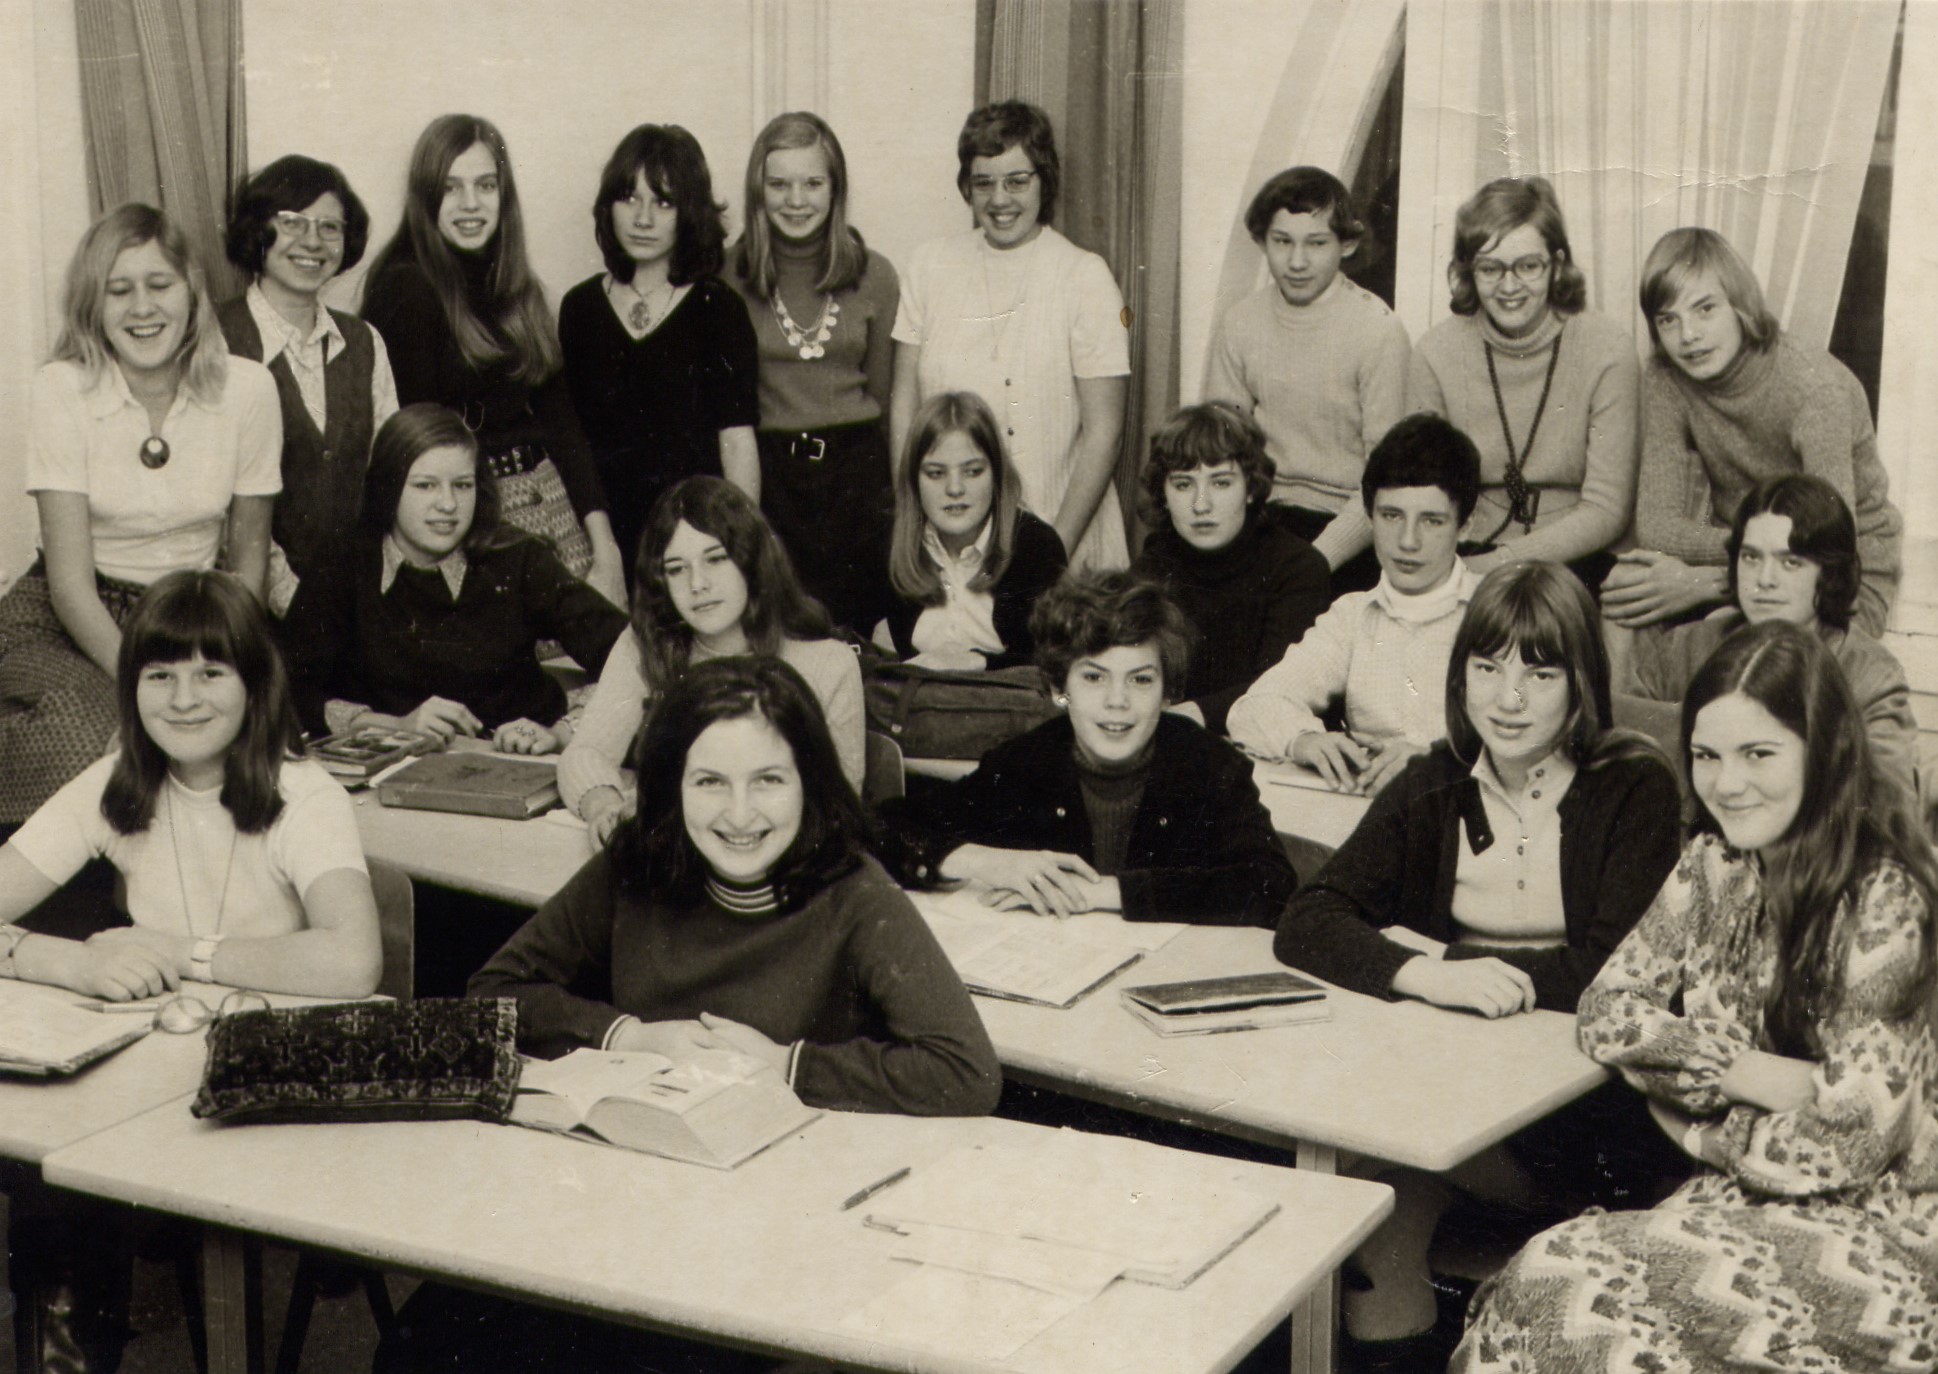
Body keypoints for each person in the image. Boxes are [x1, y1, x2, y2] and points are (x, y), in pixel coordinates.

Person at [1454, 620, 1938, 1374]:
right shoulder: (1713, 865)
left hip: (1889, 1239)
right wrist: (1741, 1071)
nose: (1727, 784)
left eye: (1759, 754)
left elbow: (1852, 1140)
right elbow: (1609, 1009)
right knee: (1563, 1306)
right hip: (1749, 1200)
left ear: (1825, 750)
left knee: (1563, 1279)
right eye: (1707, 757)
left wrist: (1701, 1135)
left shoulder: (1885, 897)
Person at [1274, 561, 1684, 1365]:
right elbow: (1310, 919)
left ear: (1581, 685)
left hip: (1592, 1113)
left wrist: (1456, 958)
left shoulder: (1632, 786)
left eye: (1540, 672)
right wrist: (1427, 975)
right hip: (1454, 1092)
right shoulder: (1434, 781)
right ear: (1459, 679)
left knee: (1374, 1170)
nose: (1508, 698)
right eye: (1487, 668)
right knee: (1369, 1220)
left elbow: (1619, 969)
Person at [475, 654, 1000, 1112]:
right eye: (709, 782)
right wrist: (628, 1037)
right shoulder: (634, 864)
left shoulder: (855, 889)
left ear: (808, 784)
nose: (740, 814)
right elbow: (494, 991)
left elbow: (966, 1072)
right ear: (671, 786)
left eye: (769, 780)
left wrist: (785, 1065)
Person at [0, 203, 281, 827]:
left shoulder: (249, 389)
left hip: (198, 615)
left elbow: (250, 564)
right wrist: (147, 684)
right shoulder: (61, 388)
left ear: (192, 292)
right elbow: (71, 586)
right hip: (74, 616)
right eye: (117, 290)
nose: (142, 308)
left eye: (160, 285)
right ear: (92, 306)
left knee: (243, 751)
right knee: (93, 738)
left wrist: (211, 661)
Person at [0, 568, 381, 999]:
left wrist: (181, 953)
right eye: (160, 676)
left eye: (211, 674)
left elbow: (354, 962)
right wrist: (65, 961)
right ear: (132, 688)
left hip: (268, 1037)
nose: (184, 701)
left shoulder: (306, 793)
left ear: (255, 687)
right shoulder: (112, 780)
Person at [879, 570, 1296, 926]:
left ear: (1168, 692)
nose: (1118, 701)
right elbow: (880, 828)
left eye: (1141, 680)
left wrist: (1102, 893)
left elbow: (1270, 884)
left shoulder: (1209, 765)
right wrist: (982, 861)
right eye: (1094, 678)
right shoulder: (1025, 763)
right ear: (1060, 688)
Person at [362, 114, 625, 606]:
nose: (470, 204)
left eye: (485, 185)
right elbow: (422, 455)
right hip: (470, 523)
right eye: (451, 188)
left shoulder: (517, 286)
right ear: (424, 197)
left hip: (551, 506)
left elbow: (562, 423)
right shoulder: (407, 288)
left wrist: (605, 551)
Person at [280, 404, 627, 752]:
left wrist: (562, 731)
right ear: (387, 487)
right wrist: (392, 725)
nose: (448, 504)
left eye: (462, 485)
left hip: (520, 766)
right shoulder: (343, 564)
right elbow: (286, 688)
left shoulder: (517, 557)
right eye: (425, 486)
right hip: (391, 778)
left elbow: (637, 653)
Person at [1610, 226, 1901, 637]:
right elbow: (1656, 526)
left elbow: (1827, 545)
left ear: (1740, 305)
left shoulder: (1814, 388)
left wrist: (1706, 583)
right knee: (1622, 596)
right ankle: (1630, 704)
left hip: (1840, 574)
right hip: (1744, 559)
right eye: (1668, 319)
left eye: (1705, 309)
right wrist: (1738, 563)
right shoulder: (1666, 376)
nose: (1687, 335)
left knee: (1735, 639)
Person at [557, 476, 864, 848]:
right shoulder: (645, 644)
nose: (697, 584)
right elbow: (585, 753)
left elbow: (836, 809)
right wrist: (605, 806)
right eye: (676, 568)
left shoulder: (828, 663)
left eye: (716, 559)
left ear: (751, 560)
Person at [891, 100, 1131, 570]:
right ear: (967, 187)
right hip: (951, 539)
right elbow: (905, 405)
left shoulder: (1084, 276)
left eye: (1017, 181)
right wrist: (914, 522)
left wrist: (1052, 554)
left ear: (1045, 181)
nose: (1000, 200)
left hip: (1062, 532)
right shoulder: (929, 265)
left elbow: (1106, 431)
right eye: (984, 183)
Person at [1228, 413, 1484, 796]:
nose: (1407, 541)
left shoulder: (1500, 611)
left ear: (1466, 527)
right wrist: (1303, 740)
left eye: (1431, 521)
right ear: (1369, 517)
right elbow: (1254, 707)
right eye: (1391, 516)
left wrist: (1442, 760)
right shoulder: (1352, 615)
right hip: (1365, 816)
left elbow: (1543, 740)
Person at [1406, 177, 1638, 587]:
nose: (1509, 287)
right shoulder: (1435, 352)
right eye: (1490, 268)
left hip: (1578, 556)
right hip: (1467, 549)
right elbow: (1424, 491)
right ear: (1467, 270)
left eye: (1528, 266)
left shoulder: (1608, 348)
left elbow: (1607, 510)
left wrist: (1499, 564)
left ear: (1557, 263)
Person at [1625, 473, 1916, 799]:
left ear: (1830, 573)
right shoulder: (1685, 648)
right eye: (1751, 557)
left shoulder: (1870, 675)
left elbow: (1888, 802)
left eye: (1790, 562)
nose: (1764, 579)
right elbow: (1623, 754)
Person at [560, 124, 759, 584]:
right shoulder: (580, 308)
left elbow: (737, 441)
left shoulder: (719, 308)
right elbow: (573, 441)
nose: (643, 218)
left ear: (689, 211)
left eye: (663, 202)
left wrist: (739, 550)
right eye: (629, 198)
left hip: (694, 543)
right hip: (602, 541)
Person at [727, 112, 899, 633]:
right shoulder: (729, 276)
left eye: (813, 183)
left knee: (856, 636)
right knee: (780, 632)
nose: (796, 200)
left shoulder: (876, 275)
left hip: (858, 478)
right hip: (771, 478)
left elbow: (888, 400)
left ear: (835, 188)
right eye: (779, 184)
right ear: (758, 191)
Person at [1203, 166, 1410, 593]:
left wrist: (1316, 560)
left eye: (1316, 244)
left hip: (1349, 529)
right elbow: (1223, 451)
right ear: (1262, 242)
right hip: (1260, 519)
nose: (1297, 262)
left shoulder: (1378, 331)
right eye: (1282, 242)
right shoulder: (1240, 323)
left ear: (1347, 245)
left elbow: (1386, 478)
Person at [220, 154, 400, 615]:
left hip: (359, 597)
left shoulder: (364, 342)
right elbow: (213, 504)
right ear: (258, 229)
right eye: (293, 222)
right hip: (249, 606)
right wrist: (295, 602)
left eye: (330, 228)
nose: (312, 242)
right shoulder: (214, 339)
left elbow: (392, 473)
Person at [1131, 402, 1330, 733]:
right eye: (1183, 485)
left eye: (1221, 483)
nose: (1201, 504)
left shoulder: (1298, 568)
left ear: (1251, 489)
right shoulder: (1151, 568)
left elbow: (1281, 686)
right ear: (1163, 494)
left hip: (1267, 745)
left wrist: (1192, 715)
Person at [875, 390, 1067, 671]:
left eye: (973, 471)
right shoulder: (887, 545)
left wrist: (977, 662)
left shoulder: (1037, 546)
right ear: (914, 481)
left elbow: (1059, 661)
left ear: (996, 475)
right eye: (936, 473)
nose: (955, 489)